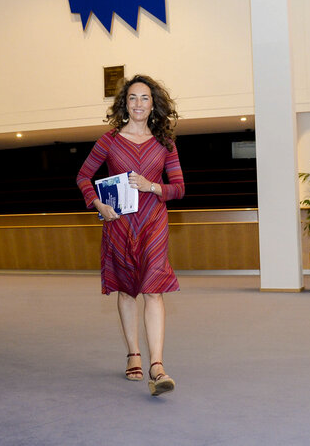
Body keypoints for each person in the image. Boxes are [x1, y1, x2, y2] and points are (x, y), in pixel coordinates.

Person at [76, 74, 184, 396]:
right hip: (119, 224)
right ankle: (133, 354)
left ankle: (157, 364)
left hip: (153, 222)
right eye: (133, 98)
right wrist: (96, 203)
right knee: (126, 291)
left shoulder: (165, 144)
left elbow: (178, 188)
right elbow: (83, 176)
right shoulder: (109, 140)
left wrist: (152, 186)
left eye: (145, 98)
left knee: (153, 289)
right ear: (125, 103)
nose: (138, 104)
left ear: (153, 105)